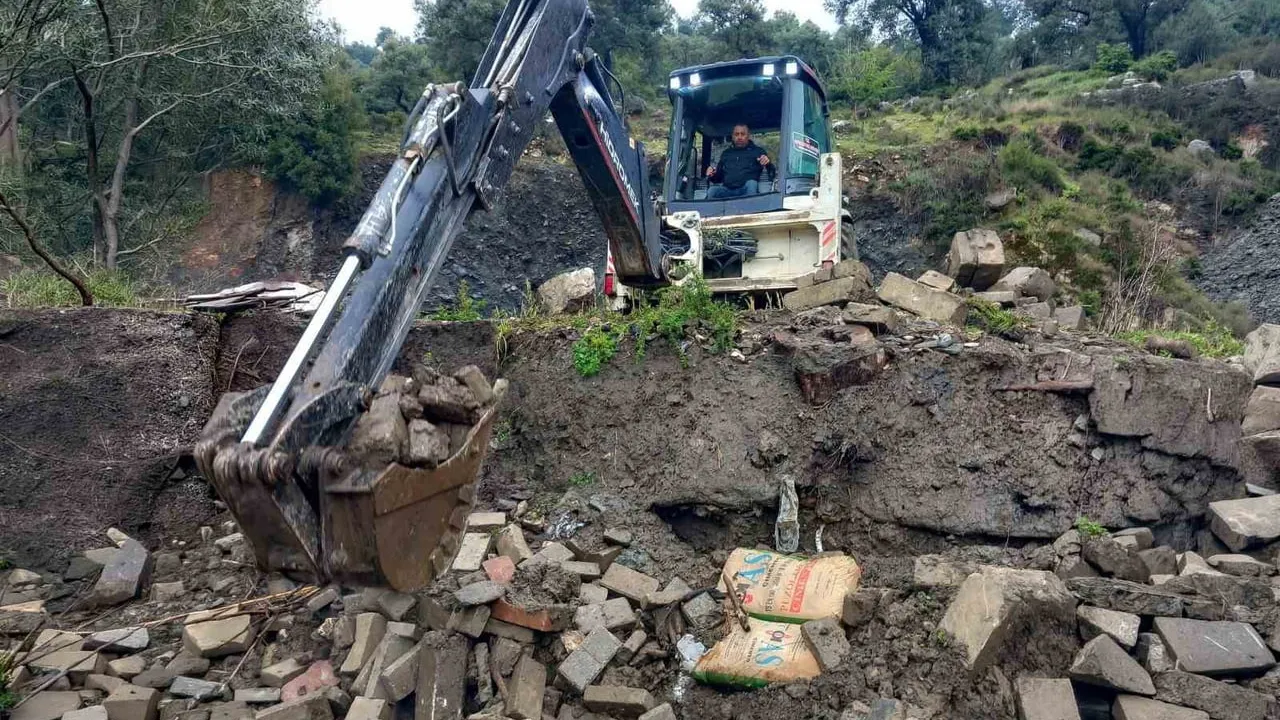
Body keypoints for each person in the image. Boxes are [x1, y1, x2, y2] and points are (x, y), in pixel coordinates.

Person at [706, 124, 774, 199]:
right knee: (712, 191)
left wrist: (768, 163)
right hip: (727, 190)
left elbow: (771, 173)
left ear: (748, 136)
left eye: (742, 134)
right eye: (736, 134)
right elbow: (718, 178)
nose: (739, 137)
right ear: (732, 136)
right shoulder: (726, 154)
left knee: (752, 184)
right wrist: (712, 174)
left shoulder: (758, 151)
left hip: (747, 190)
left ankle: (751, 206)